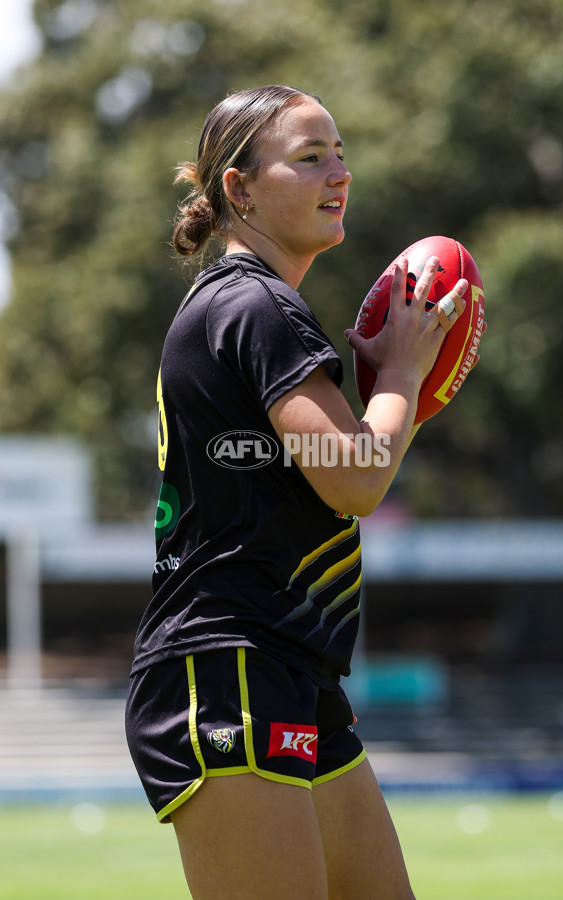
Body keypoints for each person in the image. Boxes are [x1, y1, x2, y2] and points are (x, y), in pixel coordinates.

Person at [125, 84, 467, 900]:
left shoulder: (256, 306)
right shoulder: (259, 306)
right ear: (239, 189)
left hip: (288, 664)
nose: (337, 173)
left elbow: (351, 469)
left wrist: (397, 385)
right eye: (310, 158)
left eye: (341, 154)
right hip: (227, 661)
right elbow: (354, 479)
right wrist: (404, 375)